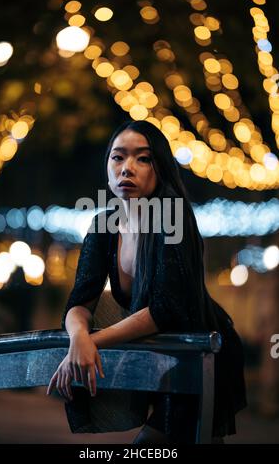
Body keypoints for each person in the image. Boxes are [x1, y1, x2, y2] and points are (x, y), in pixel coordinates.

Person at [47, 120, 247, 443]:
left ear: (160, 168)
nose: (127, 168)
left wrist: (92, 343)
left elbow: (164, 310)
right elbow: (80, 302)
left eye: (143, 158)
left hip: (197, 355)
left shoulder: (174, 216)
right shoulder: (103, 226)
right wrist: (79, 336)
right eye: (118, 157)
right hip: (152, 357)